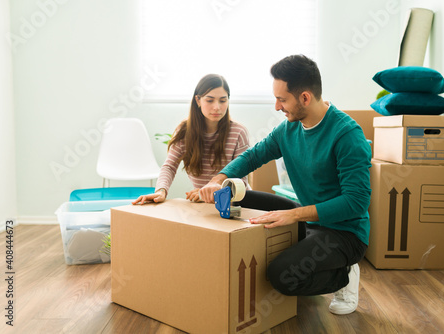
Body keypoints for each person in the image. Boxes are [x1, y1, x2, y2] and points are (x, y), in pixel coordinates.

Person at [199, 55, 371, 315]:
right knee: (236, 194)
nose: (277, 106)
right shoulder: (288, 130)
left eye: (282, 99)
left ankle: (343, 274)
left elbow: (356, 203)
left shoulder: (347, 135)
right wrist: (218, 179)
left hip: (344, 233)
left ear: (304, 97)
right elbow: (253, 156)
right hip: (308, 218)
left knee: (282, 276)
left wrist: (293, 215)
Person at [133, 74, 250, 205]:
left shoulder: (238, 132)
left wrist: (210, 192)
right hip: (203, 205)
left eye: (223, 101)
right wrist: (161, 191)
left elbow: (241, 181)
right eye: (210, 100)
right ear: (198, 100)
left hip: (236, 203)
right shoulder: (184, 131)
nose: (217, 107)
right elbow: (169, 166)